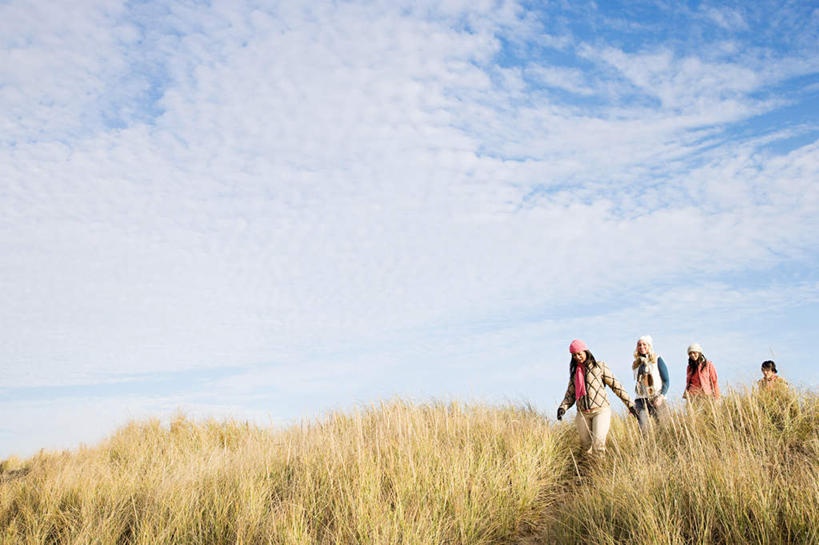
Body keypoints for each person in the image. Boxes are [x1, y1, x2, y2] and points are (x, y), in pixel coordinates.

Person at [557, 339, 639, 455]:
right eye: (574, 355)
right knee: (585, 447)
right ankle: (588, 472)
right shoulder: (575, 373)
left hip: (600, 411)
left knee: (598, 445)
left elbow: (616, 386)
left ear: (585, 351)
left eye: (579, 354)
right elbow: (570, 394)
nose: (577, 357)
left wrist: (630, 404)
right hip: (582, 413)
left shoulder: (600, 367)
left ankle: (600, 470)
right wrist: (562, 408)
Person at [632, 335, 670, 429]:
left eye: (644, 344)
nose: (641, 347)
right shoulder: (636, 364)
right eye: (639, 345)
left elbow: (666, 381)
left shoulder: (657, 360)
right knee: (644, 429)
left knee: (663, 427)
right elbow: (638, 383)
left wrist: (661, 397)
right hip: (641, 400)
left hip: (656, 397)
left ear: (649, 346)